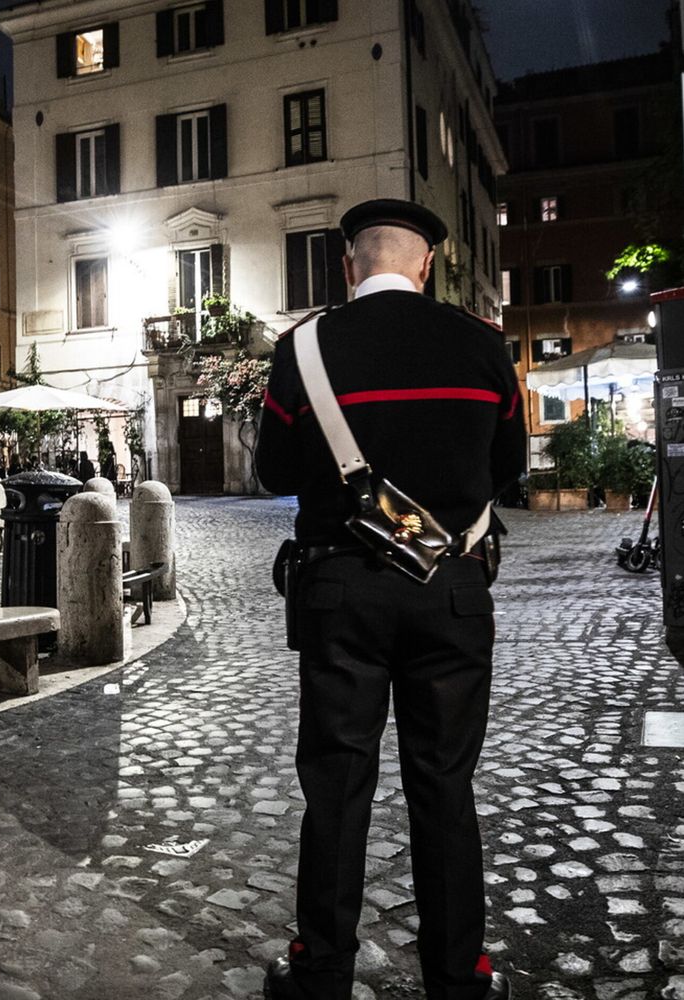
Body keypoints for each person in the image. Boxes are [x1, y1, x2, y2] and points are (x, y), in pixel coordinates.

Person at [255, 199, 525, 1000]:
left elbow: (273, 471)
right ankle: (458, 975)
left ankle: (323, 971)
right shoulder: (481, 347)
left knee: (336, 783)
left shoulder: (303, 348)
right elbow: (507, 462)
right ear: (426, 264)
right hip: (452, 591)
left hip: (341, 587)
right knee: (444, 782)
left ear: (348, 265)